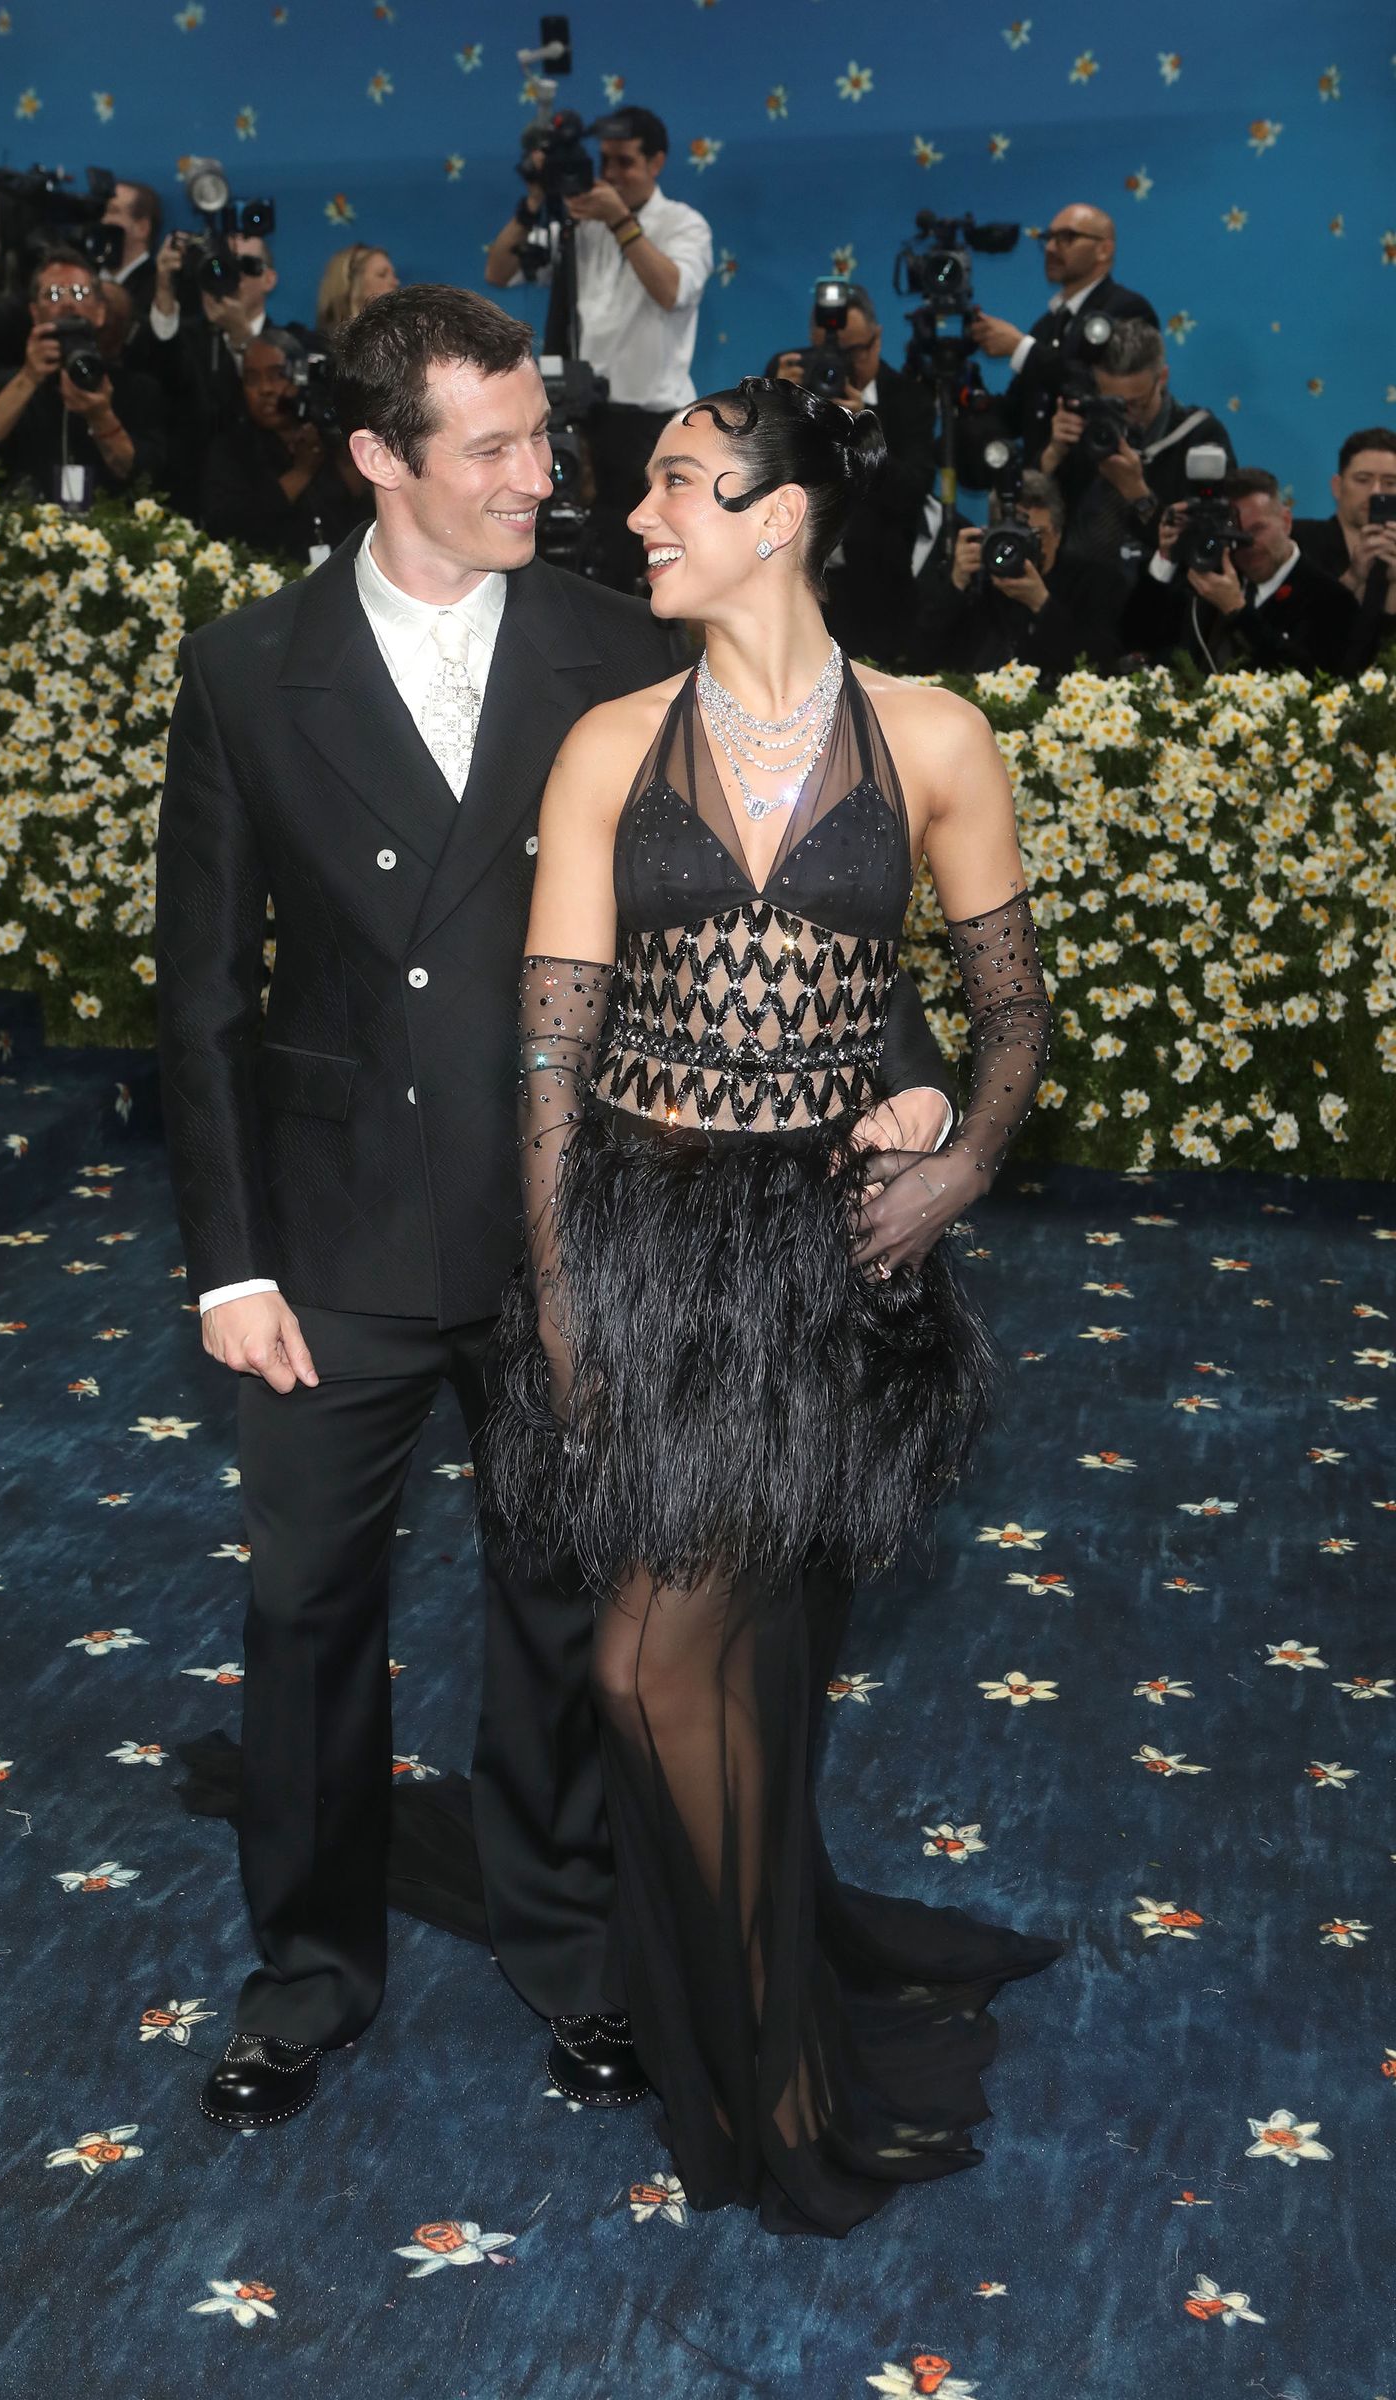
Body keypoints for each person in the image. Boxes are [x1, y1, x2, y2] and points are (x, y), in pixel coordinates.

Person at [153, 289, 958, 2133]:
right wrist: (229, 1264)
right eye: (500, 447)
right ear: (381, 458)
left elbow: (800, 883)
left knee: (561, 1599)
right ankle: (307, 1968)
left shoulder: (621, 641)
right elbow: (200, 994)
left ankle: (570, 1939)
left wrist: (907, 1061)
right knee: (304, 1610)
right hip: (334, 1240)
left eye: (544, 434)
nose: (548, 476)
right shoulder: (244, 668)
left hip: (581, 1223)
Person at [480, 374, 1066, 2237]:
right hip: (646, 1247)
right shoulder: (607, 748)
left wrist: (961, 1156)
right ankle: (761, 2038)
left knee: (680, 1662)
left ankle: (772, 2055)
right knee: (673, 1664)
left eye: (678, 483)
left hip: (822, 1262)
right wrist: (562, 1301)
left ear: (783, 513)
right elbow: (550, 1064)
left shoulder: (935, 739)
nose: (640, 514)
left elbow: (1011, 1014)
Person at [485, 105, 713, 589]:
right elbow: (498, 271)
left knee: (636, 562)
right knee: (573, 554)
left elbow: (671, 290)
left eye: (625, 162)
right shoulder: (579, 224)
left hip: (649, 422)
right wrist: (535, 200)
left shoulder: (684, 224)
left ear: (657, 162)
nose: (611, 174)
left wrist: (620, 221)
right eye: (605, 161)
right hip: (582, 416)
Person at [768, 284, 936, 666]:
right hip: (794, 584)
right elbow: (757, 470)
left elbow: (912, 492)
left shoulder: (909, 399)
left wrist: (865, 434)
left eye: (853, 351)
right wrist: (774, 405)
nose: (839, 362)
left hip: (877, 593)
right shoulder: (790, 379)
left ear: (877, 340)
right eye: (827, 349)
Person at [0, 245, 167, 502]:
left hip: (106, 522)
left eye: (80, 294)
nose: (68, 303)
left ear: (100, 311)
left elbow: (146, 474)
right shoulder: (4, 383)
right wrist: (29, 377)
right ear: (35, 313)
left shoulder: (137, 390)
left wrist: (101, 417)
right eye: (54, 295)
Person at [965, 202, 1157, 477]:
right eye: (1048, 238)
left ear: (1104, 249)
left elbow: (1095, 385)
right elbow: (1018, 412)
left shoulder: (1127, 309)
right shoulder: (1047, 325)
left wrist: (1021, 348)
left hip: (1102, 485)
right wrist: (968, 394)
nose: (1051, 248)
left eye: (1067, 237)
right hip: (1046, 489)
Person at [1039, 320, 1233, 589]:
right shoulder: (1085, 426)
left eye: (1136, 403)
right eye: (1113, 402)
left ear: (1162, 378)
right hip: (1075, 592)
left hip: (1157, 597)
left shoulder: (1199, 438)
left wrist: (1137, 493)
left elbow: (1207, 545)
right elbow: (1039, 511)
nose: (1125, 414)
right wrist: (1053, 454)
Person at [1122, 465, 1360, 676]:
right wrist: (1166, 558)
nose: (1248, 543)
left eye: (1257, 529)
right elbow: (1134, 639)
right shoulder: (1210, 581)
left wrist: (1237, 610)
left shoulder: (1331, 599)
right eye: (1235, 533)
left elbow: (1309, 679)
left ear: (1286, 522)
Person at [910, 468, 1125, 676]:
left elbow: (1098, 665)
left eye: (1036, 535)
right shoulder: (975, 578)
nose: (1021, 548)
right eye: (1011, 537)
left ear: (1058, 535)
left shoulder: (1094, 582)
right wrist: (956, 585)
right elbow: (920, 658)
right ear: (990, 533)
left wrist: (1042, 604)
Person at [146, 225, 282, 517]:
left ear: (269, 279)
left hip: (263, 500)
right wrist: (164, 288)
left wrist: (243, 339)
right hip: (185, 503)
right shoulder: (184, 339)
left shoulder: (288, 343)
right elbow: (159, 374)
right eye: (224, 265)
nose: (235, 276)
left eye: (246, 265)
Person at [198, 333, 366, 561]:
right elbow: (227, 526)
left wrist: (336, 444)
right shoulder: (231, 448)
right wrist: (301, 473)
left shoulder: (328, 433)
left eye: (277, 375)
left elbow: (364, 505)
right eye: (252, 379)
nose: (265, 389)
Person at [1293, 427, 1396, 670]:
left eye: (1390, 483)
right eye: (1363, 480)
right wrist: (1353, 578)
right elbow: (1292, 631)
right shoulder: (1299, 541)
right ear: (1337, 487)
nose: (1376, 492)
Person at [99, 179, 162, 319]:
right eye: (103, 212)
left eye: (113, 211)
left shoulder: (158, 288)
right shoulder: (84, 277)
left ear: (142, 228)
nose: (103, 220)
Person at [316, 241, 399, 334]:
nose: (396, 282)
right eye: (382, 274)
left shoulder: (401, 336)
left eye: (394, 275)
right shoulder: (316, 342)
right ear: (351, 285)